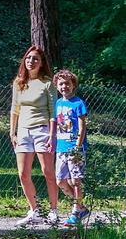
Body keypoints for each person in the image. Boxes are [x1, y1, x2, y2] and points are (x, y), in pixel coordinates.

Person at [8, 46, 60, 227]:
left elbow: (53, 112)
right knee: (23, 174)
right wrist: (12, 132)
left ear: (42, 62)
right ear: (25, 61)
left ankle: (53, 211)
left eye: (36, 59)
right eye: (29, 58)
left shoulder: (47, 83)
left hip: (42, 131)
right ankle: (34, 210)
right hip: (23, 132)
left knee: (48, 172)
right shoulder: (19, 82)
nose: (31, 61)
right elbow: (15, 110)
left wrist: (52, 135)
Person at [52, 69, 90, 227]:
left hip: (75, 149)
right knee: (60, 180)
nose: (64, 86)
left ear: (73, 85)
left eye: (67, 83)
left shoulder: (78, 103)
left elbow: (82, 127)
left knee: (75, 181)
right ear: (56, 86)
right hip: (61, 148)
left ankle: (75, 212)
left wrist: (77, 147)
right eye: (61, 84)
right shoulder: (58, 103)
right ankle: (80, 207)